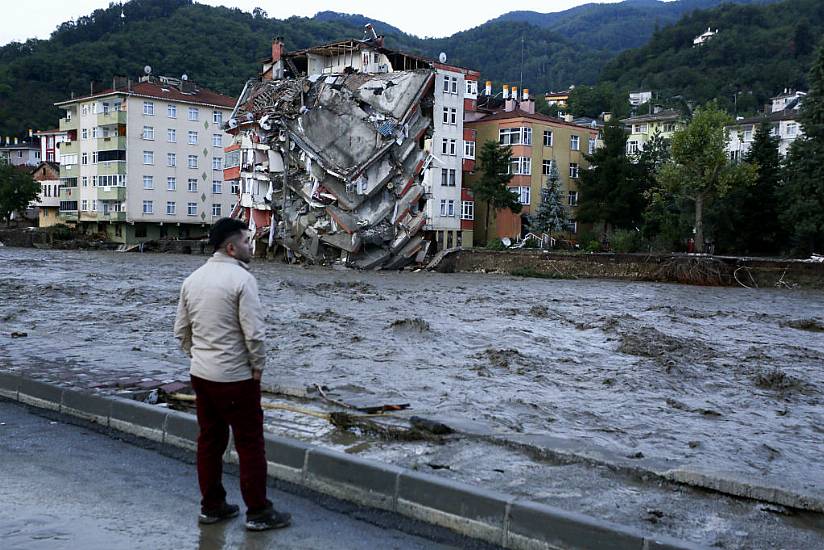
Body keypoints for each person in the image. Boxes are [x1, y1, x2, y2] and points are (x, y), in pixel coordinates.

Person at [174, 218, 291, 531]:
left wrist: (199, 356)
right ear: (231, 247)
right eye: (246, 241)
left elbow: (181, 331)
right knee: (250, 444)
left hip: (201, 374)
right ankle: (258, 511)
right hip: (236, 378)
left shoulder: (192, 280)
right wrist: (257, 366)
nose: (250, 246)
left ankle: (212, 507)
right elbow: (254, 334)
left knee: (209, 442)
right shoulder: (242, 280)